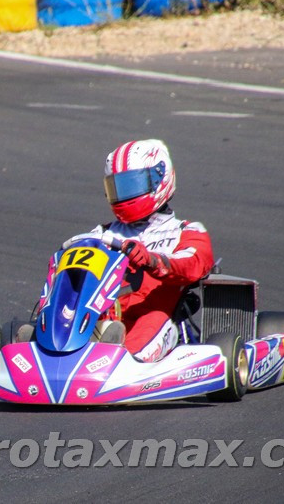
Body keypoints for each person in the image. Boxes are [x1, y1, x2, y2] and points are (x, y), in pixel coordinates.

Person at [39, 139, 214, 362]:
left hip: (154, 316)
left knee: (145, 333)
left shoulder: (185, 231)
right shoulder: (102, 233)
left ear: (159, 179)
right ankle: (47, 347)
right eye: (117, 187)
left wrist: (152, 261)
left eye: (131, 185)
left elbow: (193, 264)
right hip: (101, 317)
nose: (123, 194)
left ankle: (119, 361)